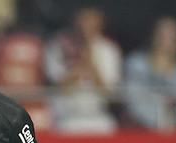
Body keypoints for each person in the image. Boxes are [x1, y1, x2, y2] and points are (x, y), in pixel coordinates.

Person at [43, 6, 121, 134]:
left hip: (98, 117)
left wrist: (91, 62)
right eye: (83, 20)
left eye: (91, 21)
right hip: (66, 117)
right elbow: (56, 85)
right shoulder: (57, 45)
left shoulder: (109, 50)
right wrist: (77, 68)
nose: (86, 26)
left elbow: (109, 93)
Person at [124, 16, 176, 130]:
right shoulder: (135, 63)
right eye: (162, 35)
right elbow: (133, 103)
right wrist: (159, 122)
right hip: (142, 126)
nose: (166, 40)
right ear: (153, 36)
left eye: (172, 36)